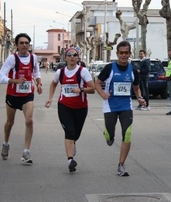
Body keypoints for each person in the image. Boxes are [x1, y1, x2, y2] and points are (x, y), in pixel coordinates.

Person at [94, 40, 145, 176]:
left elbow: (136, 88)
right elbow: (97, 83)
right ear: (117, 53)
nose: (123, 55)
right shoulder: (109, 68)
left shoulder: (133, 70)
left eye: (126, 53)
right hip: (110, 106)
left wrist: (140, 98)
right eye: (121, 53)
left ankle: (121, 165)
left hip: (126, 106)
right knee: (110, 138)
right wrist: (103, 94)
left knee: (127, 134)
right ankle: (108, 134)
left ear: (129, 54)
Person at [45, 47, 95, 172]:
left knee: (76, 134)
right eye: (69, 55)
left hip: (81, 107)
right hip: (64, 106)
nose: (72, 57)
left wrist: (81, 89)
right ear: (65, 57)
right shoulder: (60, 72)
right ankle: (70, 160)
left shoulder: (83, 71)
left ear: (78, 58)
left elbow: (93, 89)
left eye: (74, 55)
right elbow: (53, 84)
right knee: (69, 132)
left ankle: (73, 144)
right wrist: (50, 98)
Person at [0, 33, 43, 164]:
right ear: (17, 45)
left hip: (27, 95)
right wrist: (15, 81)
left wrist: (38, 83)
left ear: (29, 45)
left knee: (29, 121)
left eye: (26, 43)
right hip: (13, 95)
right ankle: (6, 143)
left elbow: (36, 72)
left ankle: (26, 152)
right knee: (10, 122)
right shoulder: (12, 59)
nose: (24, 45)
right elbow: (1, 77)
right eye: (21, 43)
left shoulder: (34, 58)